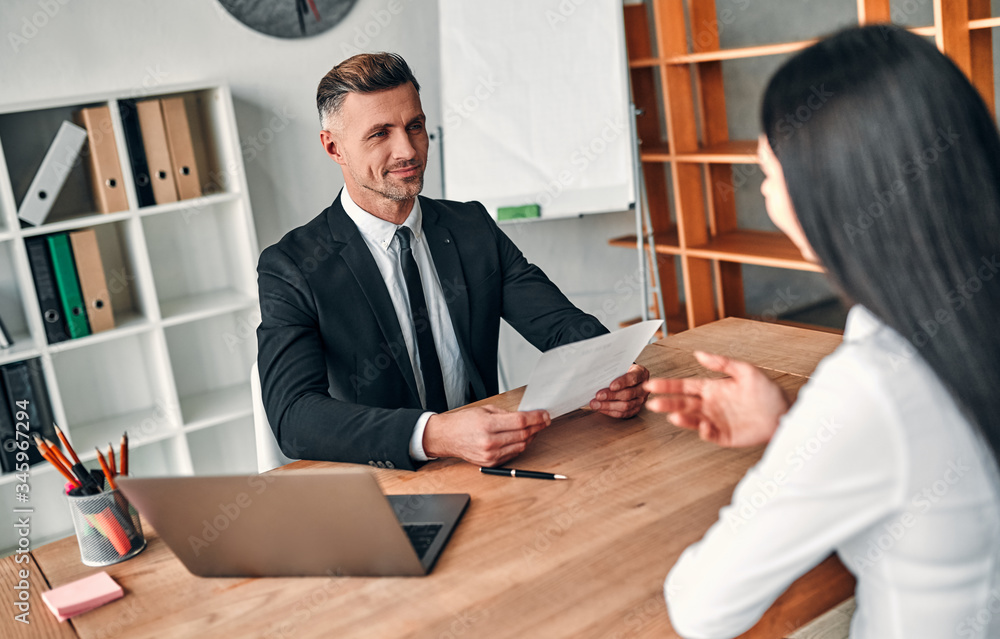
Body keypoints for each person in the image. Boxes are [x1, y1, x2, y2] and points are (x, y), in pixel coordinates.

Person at [645, 25, 1000, 638]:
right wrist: (794, 430)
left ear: (829, 195)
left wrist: (794, 453)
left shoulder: (872, 386)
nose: (764, 193)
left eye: (767, 172)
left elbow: (701, 608)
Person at [257, 52, 649, 471]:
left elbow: (558, 323)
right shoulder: (293, 266)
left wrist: (610, 370)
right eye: (380, 134)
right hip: (379, 480)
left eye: (415, 126)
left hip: (492, 466)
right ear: (334, 147)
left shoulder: (471, 227)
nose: (407, 150)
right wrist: (436, 435)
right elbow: (294, 417)